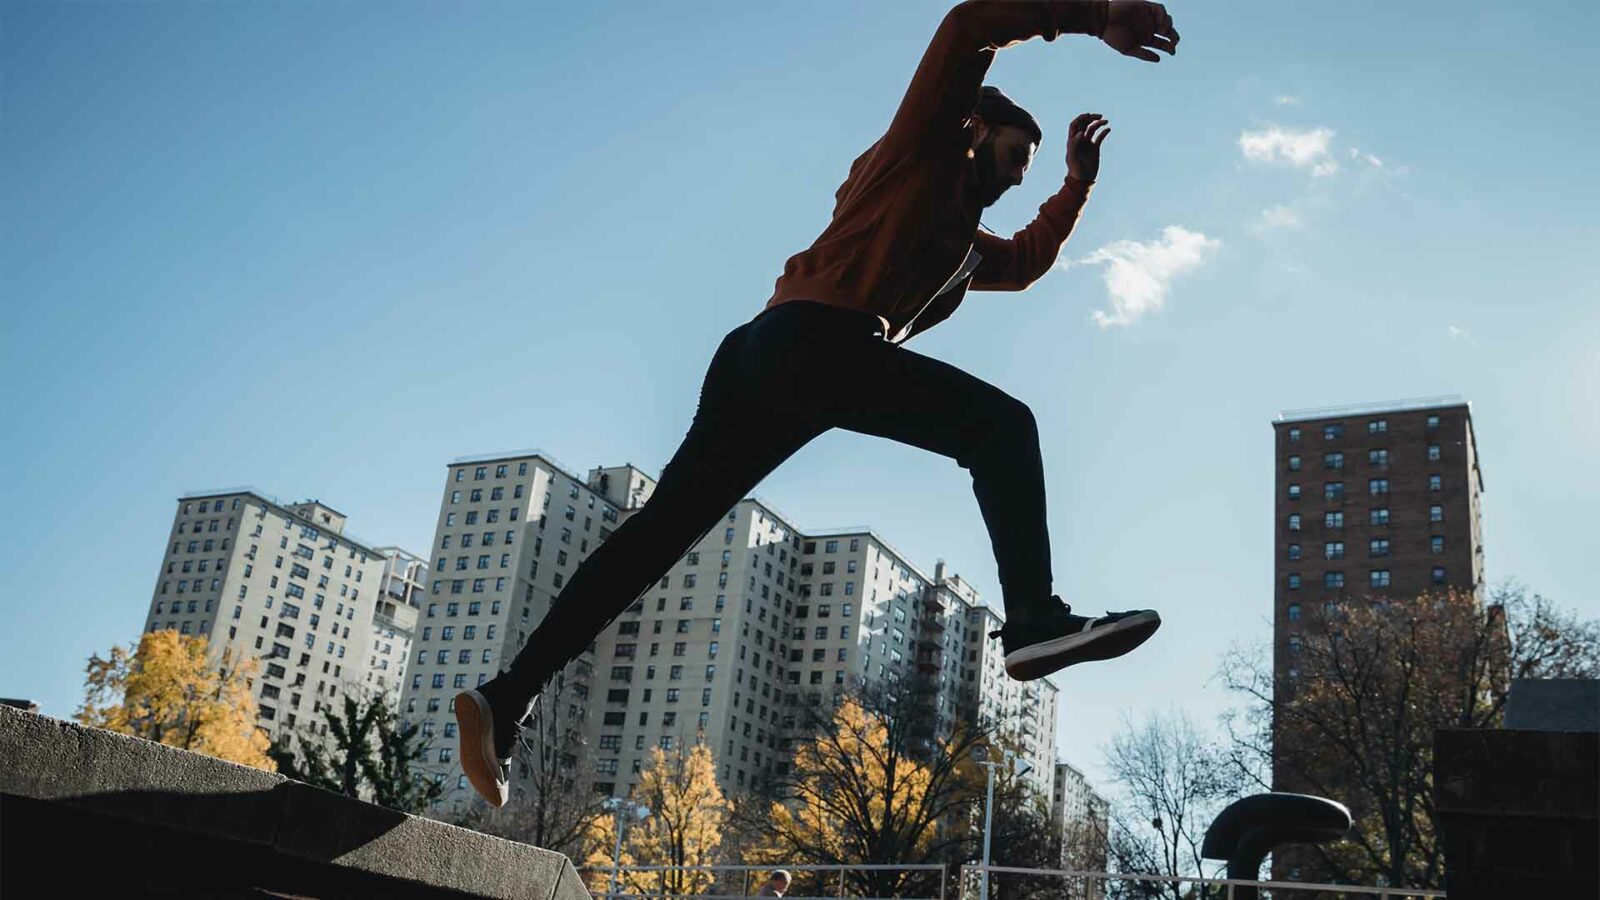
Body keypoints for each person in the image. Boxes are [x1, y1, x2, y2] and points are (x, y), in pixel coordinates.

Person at [457, 0, 1180, 807]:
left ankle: (507, 696)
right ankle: (1035, 619)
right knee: (1001, 426)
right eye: (1018, 156)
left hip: (768, 362)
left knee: (656, 539)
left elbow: (1021, 264)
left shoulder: (960, 244)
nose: (1019, 176)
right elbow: (971, 21)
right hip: (813, 342)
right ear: (976, 130)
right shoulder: (921, 150)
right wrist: (1099, 13)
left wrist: (1074, 187)